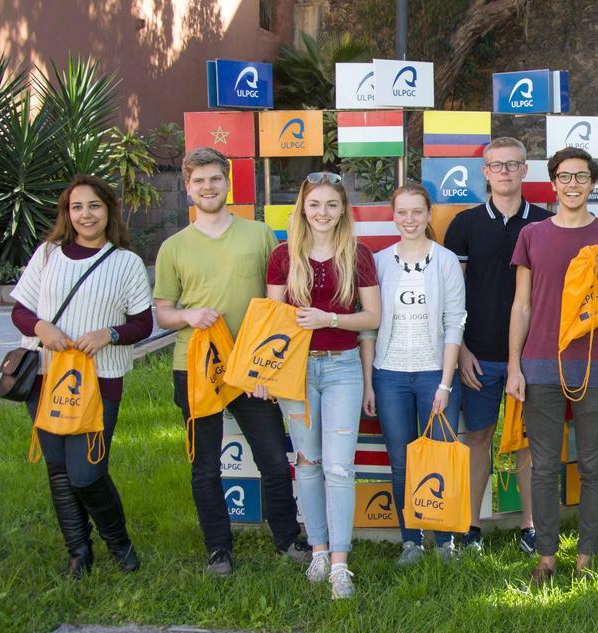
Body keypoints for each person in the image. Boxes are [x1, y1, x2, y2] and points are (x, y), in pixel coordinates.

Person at [155, 147, 310, 575]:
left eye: (215, 179)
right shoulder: (174, 247)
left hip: (253, 368)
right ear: (188, 188)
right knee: (205, 465)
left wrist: (268, 368)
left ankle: (286, 539)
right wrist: (186, 315)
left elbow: (278, 302)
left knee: (276, 461)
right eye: (199, 181)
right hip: (196, 367)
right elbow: (162, 310)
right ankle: (218, 549)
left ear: (229, 183)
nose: (208, 187)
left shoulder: (259, 235)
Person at [11, 175, 153, 578]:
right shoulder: (47, 254)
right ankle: (78, 551)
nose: (85, 214)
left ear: (108, 210)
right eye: (76, 207)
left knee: (87, 470)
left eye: (93, 206)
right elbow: (20, 309)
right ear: (67, 213)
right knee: (57, 467)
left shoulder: (125, 262)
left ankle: (119, 543)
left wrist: (109, 334)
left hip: (100, 380)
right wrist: (41, 328)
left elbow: (142, 324)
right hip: (46, 377)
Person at [507, 147, 598, 585]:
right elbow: (521, 306)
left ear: (593, 182)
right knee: (544, 465)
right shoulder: (533, 235)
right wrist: (513, 366)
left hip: (596, 366)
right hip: (540, 365)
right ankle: (545, 556)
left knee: (593, 465)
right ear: (553, 182)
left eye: (582, 177)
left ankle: (586, 556)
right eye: (565, 177)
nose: (573, 185)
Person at [265, 172, 380, 598]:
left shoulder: (359, 255)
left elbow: (372, 317)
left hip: (342, 368)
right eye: (315, 205)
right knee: (308, 462)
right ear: (303, 208)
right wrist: (266, 373)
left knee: (338, 466)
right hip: (295, 371)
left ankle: (340, 565)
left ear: (343, 210)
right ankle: (317, 549)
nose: (323, 213)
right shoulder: (283, 256)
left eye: (332, 205)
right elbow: (271, 321)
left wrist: (329, 319)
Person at [444, 137, 551, 554]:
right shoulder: (464, 225)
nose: (505, 171)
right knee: (478, 438)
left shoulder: (545, 223)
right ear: (485, 173)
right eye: (496, 165)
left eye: (513, 164)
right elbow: (451, 296)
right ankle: (471, 526)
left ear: (526, 170)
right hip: (478, 355)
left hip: (532, 357)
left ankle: (530, 526)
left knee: (528, 441)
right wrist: (463, 350)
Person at [362, 182, 466, 565]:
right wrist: (370, 381)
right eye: (402, 212)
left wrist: (444, 382)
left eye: (417, 212)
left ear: (428, 215)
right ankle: (411, 540)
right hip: (389, 375)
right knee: (401, 460)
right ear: (393, 215)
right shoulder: (378, 261)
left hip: (432, 376)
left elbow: (455, 324)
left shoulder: (446, 261)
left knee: (439, 458)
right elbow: (369, 328)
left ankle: (444, 542)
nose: (409, 219)